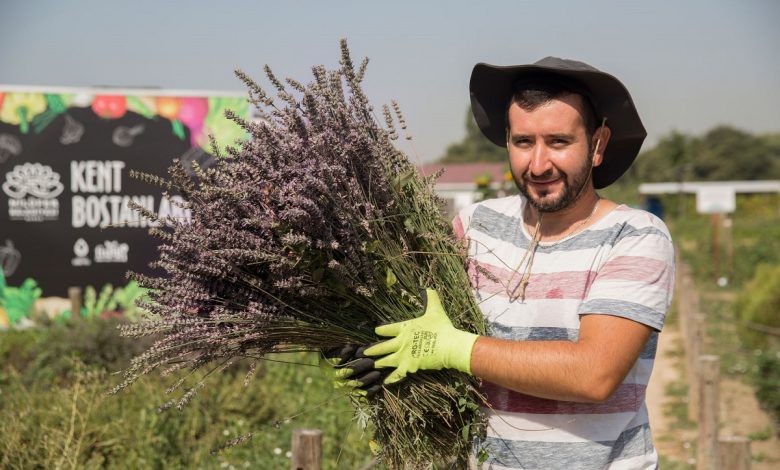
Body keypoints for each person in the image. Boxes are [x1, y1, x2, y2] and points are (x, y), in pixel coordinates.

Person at [338, 57, 675, 469]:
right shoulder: (475, 225)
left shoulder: (635, 236)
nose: (538, 164)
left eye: (559, 142)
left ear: (598, 144)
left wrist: (457, 348)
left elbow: (594, 374)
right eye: (523, 142)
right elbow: (422, 329)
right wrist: (369, 350)